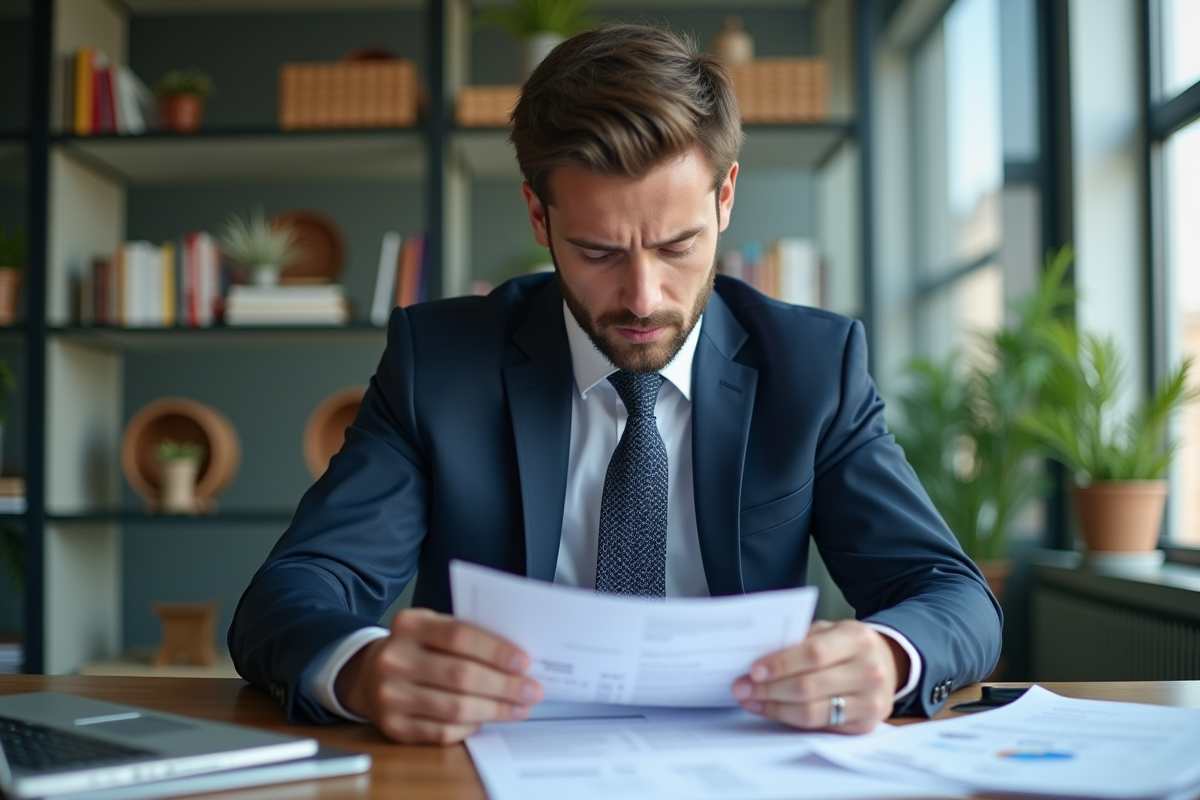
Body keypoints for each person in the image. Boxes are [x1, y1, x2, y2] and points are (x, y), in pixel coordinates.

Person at [229, 23, 1001, 746]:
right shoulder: (440, 362)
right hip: (487, 761)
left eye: (677, 246)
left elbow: (951, 593)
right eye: (599, 251)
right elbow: (294, 590)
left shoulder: (813, 366)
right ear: (539, 214)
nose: (642, 297)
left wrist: (891, 656)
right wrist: (360, 669)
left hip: (742, 760)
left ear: (725, 197)